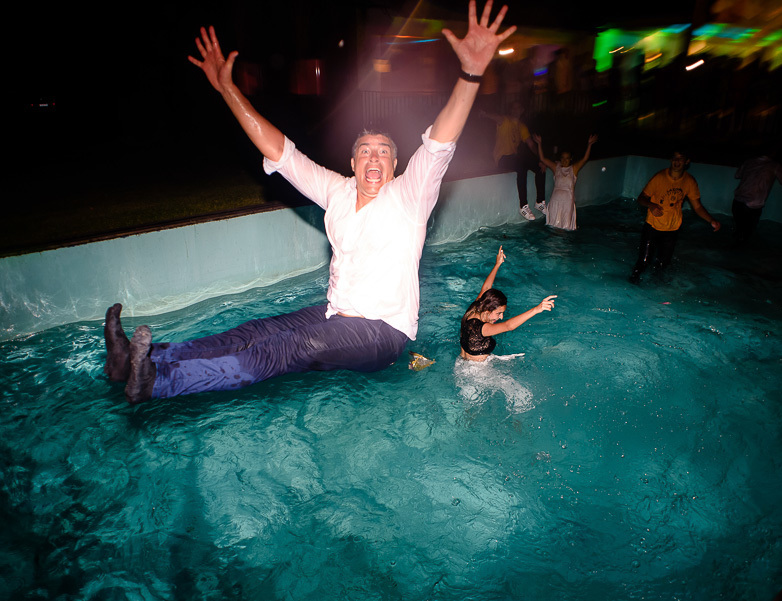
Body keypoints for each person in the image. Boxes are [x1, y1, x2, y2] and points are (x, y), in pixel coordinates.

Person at [103, 1, 516, 403]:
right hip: (336, 316)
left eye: (384, 152)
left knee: (286, 348)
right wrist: (227, 88)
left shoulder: (409, 195)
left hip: (383, 334)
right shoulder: (338, 190)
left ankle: (158, 382)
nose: (374, 158)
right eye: (365, 151)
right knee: (253, 333)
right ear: (353, 164)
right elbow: (282, 153)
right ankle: (138, 361)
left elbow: (441, 141)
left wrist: (471, 74)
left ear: (395, 165)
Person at [628, 150, 721, 284]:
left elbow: (697, 207)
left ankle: (655, 287)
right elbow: (641, 198)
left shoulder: (689, 181)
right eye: (674, 158)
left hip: (672, 229)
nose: (677, 162)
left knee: (663, 263)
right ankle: (632, 283)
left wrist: (711, 220)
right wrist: (651, 205)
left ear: (687, 161)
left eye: (680, 158)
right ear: (671, 160)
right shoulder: (659, 177)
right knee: (644, 261)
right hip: (652, 226)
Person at [459, 246, 556, 362]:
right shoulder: (482, 328)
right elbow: (508, 326)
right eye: (498, 313)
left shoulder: (475, 308)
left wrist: (497, 264)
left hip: (462, 362)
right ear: (488, 310)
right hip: (477, 370)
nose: (501, 317)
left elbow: (486, 288)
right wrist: (536, 309)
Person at [482, 102, 546, 220]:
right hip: (502, 158)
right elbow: (495, 116)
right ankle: (523, 206)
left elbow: (531, 145)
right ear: (511, 109)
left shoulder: (522, 127)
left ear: (522, 110)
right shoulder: (504, 120)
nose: (516, 110)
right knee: (521, 165)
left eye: (518, 107)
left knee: (540, 166)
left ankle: (540, 201)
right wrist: (484, 114)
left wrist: (541, 160)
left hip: (514, 158)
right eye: (514, 107)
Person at [534, 133, 597, 231]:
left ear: (571, 159)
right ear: (560, 158)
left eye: (567, 158)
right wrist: (539, 144)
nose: (564, 160)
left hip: (567, 202)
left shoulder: (574, 169)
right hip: (555, 200)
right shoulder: (556, 167)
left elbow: (585, 159)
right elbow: (542, 159)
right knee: (553, 225)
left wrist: (589, 145)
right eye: (562, 158)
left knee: (565, 227)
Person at [732, 152, 782, 246]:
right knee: (746, 234)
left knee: (738, 230)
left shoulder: (749, 161)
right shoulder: (775, 166)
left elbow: (737, 175)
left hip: (737, 201)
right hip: (752, 205)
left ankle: (736, 246)